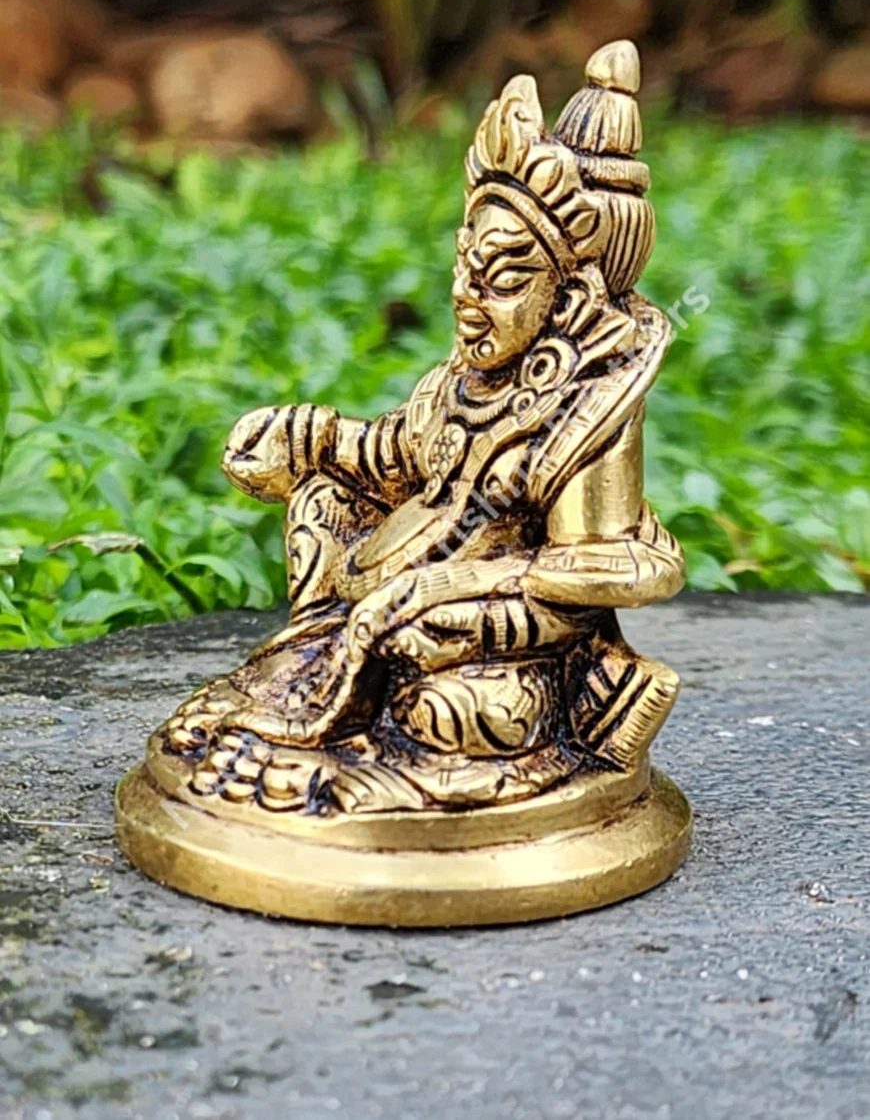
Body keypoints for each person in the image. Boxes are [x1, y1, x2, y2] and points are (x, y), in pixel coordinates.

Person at [158, 40, 685, 815]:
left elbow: (587, 579)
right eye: (465, 265)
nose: (469, 294)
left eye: (503, 278)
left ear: (570, 300)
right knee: (323, 500)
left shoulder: (592, 412)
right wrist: (308, 436)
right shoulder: (460, 384)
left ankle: (398, 764)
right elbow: (393, 454)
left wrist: (456, 602)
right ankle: (326, 675)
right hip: (373, 602)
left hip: (493, 640)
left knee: (460, 709)